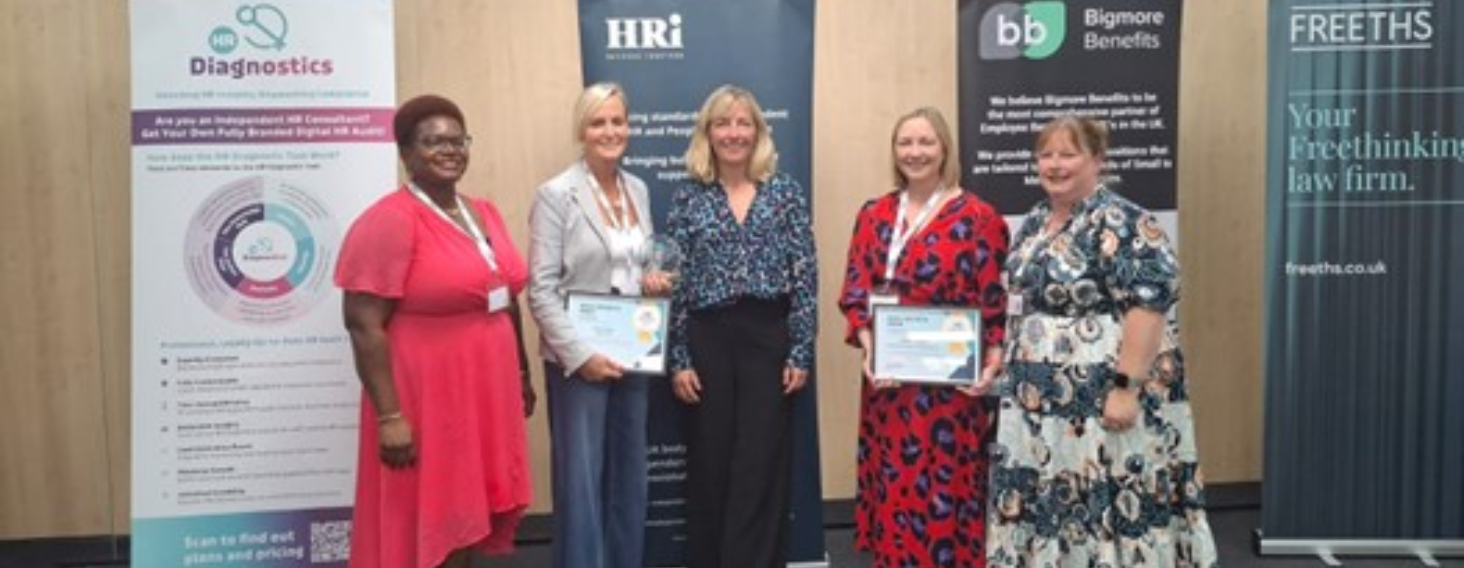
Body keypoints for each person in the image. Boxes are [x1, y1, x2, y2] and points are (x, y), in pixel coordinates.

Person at [986, 115, 1218, 567]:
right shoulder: (1036, 220)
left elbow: (1148, 307)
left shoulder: (1124, 220)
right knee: (1052, 499)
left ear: (1097, 160)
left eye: (1068, 154)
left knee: (1105, 496)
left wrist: (1126, 388)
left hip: (1100, 399)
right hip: (1039, 407)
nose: (1055, 164)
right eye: (1046, 154)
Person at [336, 94, 535, 568]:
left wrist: (521, 374)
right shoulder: (390, 219)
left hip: (484, 388)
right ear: (406, 153)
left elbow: (505, 298)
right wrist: (390, 416)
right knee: (430, 508)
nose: (449, 150)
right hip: (426, 395)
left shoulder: (483, 212)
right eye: (433, 142)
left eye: (457, 140)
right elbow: (363, 323)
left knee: (468, 509)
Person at [836, 107, 1009, 568]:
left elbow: (994, 300)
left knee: (946, 494)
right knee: (894, 490)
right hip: (890, 386)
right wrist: (870, 351)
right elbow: (856, 292)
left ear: (945, 148)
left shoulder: (979, 217)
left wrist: (992, 363)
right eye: (905, 143)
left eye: (926, 142)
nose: (915, 152)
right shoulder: (874, 214)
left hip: (951, 391)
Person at [666, 84, 818, 568]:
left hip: (767, 339)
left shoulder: (785, 193)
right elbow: (675, 282)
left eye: (743, 123)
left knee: (761, 462)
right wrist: (679, 358)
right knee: (710, 462)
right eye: (722, 123)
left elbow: (805, 276)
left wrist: (800, 351)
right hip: (706, 339)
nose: (733, 133)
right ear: (707, 133)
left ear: (758, 131)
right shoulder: (688, 197)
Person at [526, 82, 670, 568]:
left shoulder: (638, 189)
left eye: (618, 121)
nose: (610, 131)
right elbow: (540, 289)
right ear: (581, 131)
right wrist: (580, 355)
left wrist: (653, 282)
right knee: (582, 483)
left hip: (633, 350)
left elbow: (637, 265)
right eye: (598, 122)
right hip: (579, 359)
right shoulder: (556, 195)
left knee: (630, 476)